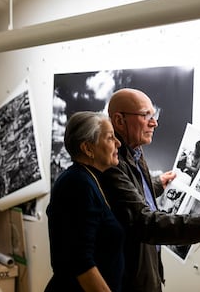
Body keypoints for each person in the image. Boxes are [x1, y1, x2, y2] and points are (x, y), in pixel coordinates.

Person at [102, 88, 200, 292]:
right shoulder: (112, 164)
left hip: (147, 272)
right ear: (120, 121)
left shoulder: (135, 152)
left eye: (154, 115)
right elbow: (144, 222)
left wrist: (157, 183)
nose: (154, 122)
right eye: (145, 115)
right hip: (132, 282)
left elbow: (131, 194)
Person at [45, 111, 124, 292]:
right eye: (110, 138)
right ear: (88, 148)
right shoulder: (77, 184)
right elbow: (81, 263)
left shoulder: (88, 179)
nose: (118, 143)